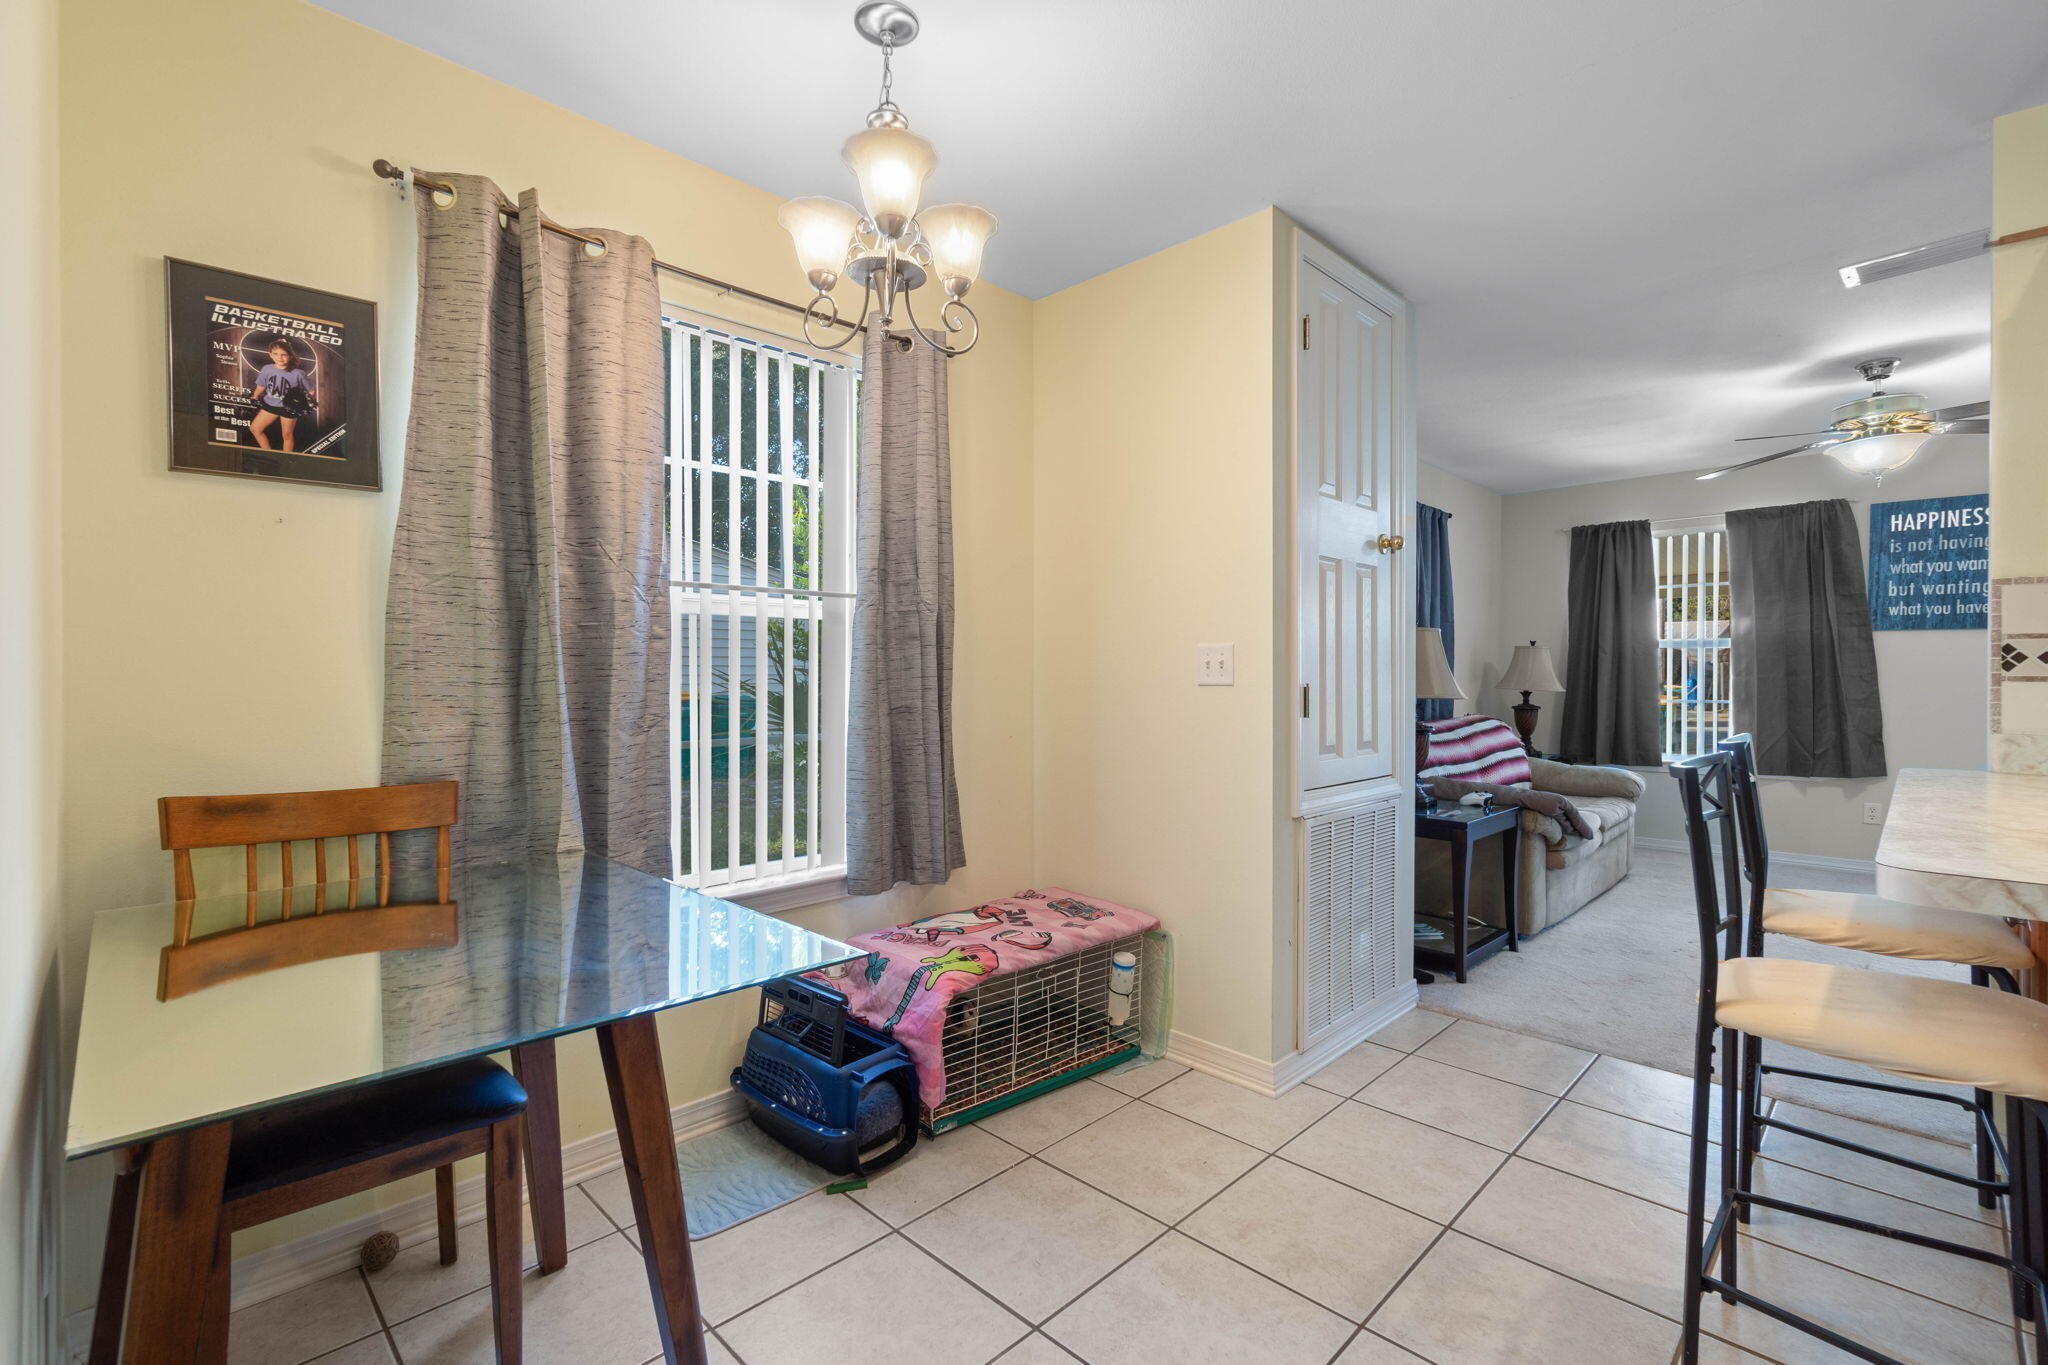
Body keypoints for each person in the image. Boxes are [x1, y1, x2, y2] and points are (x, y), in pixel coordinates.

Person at [248, 339, 316, 452]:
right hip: (270, 405)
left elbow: (311, 390)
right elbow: (261, 385)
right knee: (255, 429)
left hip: (289, 409)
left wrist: (302, 403)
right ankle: (269, 453)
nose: (279, 358)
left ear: (290, 356)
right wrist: (255, 395)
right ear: (270, 354)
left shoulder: (298, 373)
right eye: (275, 354)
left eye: (284, 355)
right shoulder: (267, 369)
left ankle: (286, 458)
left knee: (287, 435)